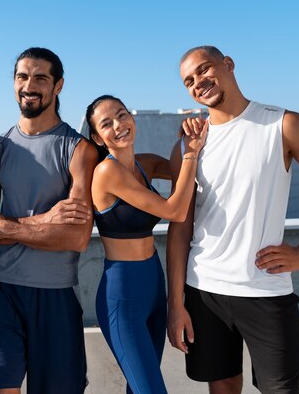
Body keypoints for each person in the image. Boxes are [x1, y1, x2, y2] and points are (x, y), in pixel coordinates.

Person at [167, 46, 299, 394]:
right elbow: (180, 229)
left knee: (280, 389)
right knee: (222, 386)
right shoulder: (188, 146)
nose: (198, 83)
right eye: (188, 81)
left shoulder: (283, 124)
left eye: (204, 70)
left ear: (228, 64)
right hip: (204, 289)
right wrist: (175, 303)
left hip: (266, 291)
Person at [0, 47, 98, 394]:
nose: (30, 85)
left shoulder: (79, 149)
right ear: (14, 84)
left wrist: (8, 227)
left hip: (54, 294)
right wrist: (47, 222)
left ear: (58, 86)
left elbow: (77, 238)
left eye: (41, 77)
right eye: (22, 76)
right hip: (1, 289)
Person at [85, 94, 207, 394]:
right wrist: (190, 154)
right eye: (107, 123)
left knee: (139, 386)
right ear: (97, 138)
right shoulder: (106, 172)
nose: (119, 125)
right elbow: (175, 210)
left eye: (122, 115)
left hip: (154, 281)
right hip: (122, 293)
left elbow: (187, 173)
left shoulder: (145, 165)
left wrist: (187, 138)